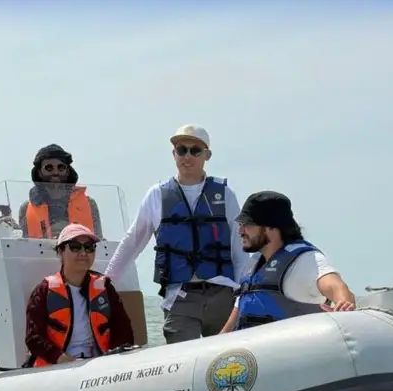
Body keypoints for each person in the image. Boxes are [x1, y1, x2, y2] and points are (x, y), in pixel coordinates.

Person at [105, 124, 248, 344]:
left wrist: (243, 292)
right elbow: (133, 241)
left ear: (207, 155)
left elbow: (240, 246)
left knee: (225, 358)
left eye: (195, 150)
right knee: (182, 358)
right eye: (182, 150)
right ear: (174, 154)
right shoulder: (156, 195)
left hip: (222, 294)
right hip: (180, 297)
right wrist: (106, 281)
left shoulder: (225, 194)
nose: (187, 156)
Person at [220, 191, 355, 332]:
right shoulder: (254, 263)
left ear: (271, 227)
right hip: (253, 345)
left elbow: (335, 285)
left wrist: (344, 304)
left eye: (247, 224)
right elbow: (237, 314)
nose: (240, 231)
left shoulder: (305, 260)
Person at [25, 224, 133, 367]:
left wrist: (111, 360)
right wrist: (60, 358)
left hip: (100, 365)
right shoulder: (43, 291)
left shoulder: (105, 288)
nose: (83, 253)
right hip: (58, 366)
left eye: (89, 247)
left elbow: (124, 331)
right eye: (75, 247)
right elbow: (33, 338)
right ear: (61, 251)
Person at [18, 144, 103, 239]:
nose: (55, 172)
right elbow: (23, 244)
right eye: (49, 168)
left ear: (68, 172)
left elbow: (99, 242)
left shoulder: (90, 204)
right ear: (39, 172)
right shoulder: (25, 209)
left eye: (61, 167)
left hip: (80, 249)